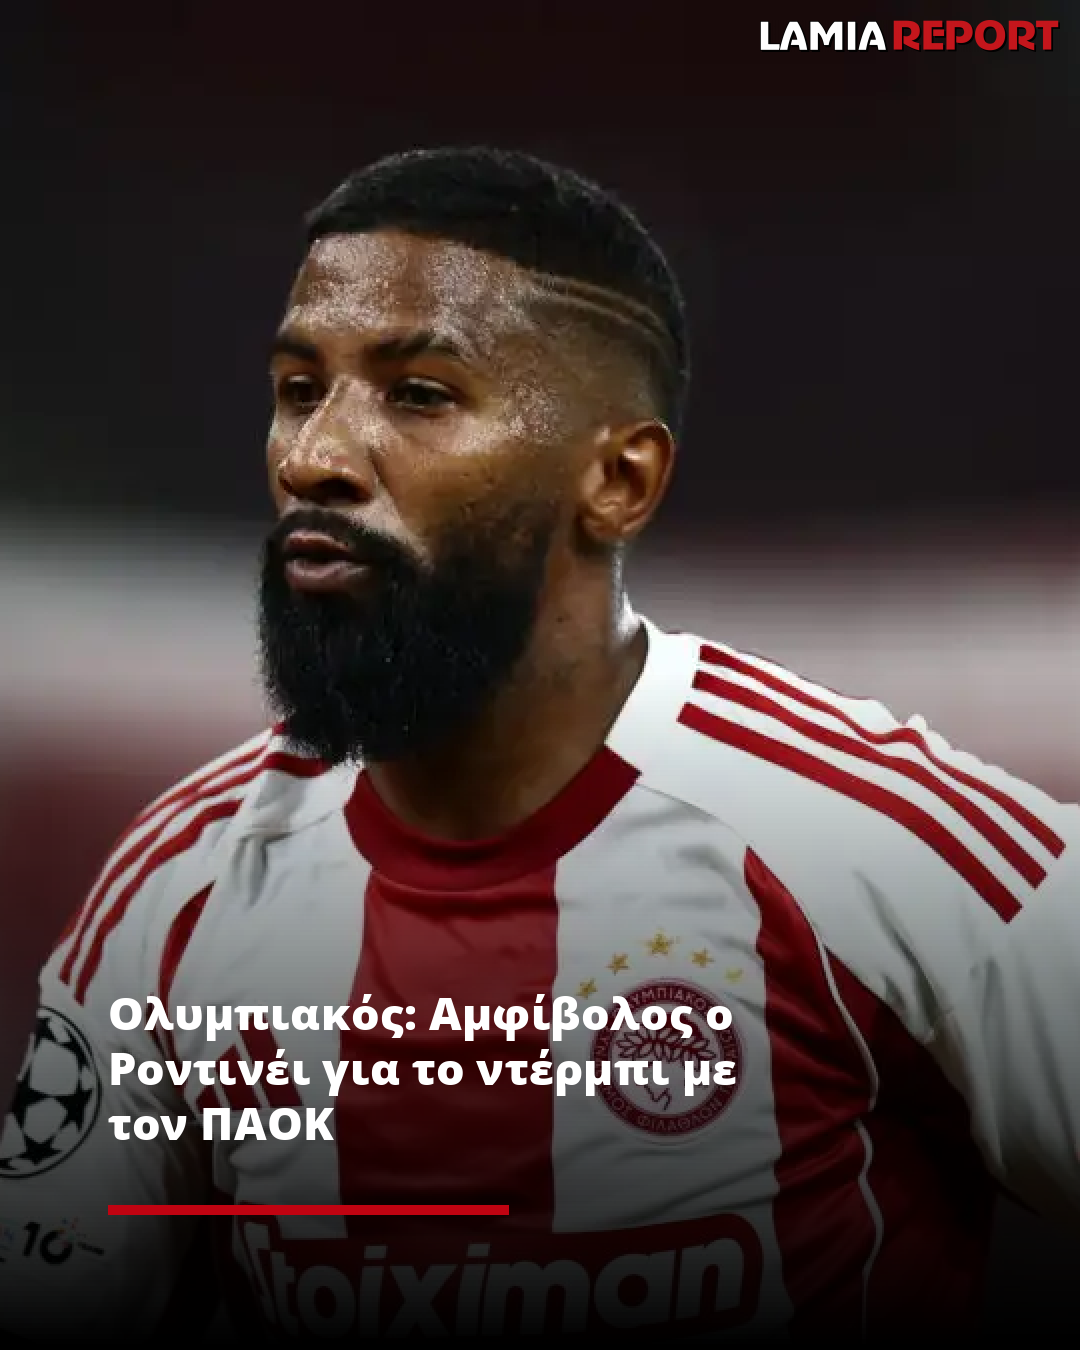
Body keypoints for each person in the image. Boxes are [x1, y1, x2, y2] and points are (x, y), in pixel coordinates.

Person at [1, 146, 1078, 1344]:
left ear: (619, 480)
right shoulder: (182, 888)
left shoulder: (875, 841)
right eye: (300, 388)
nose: (314, 457)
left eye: (419, 395)